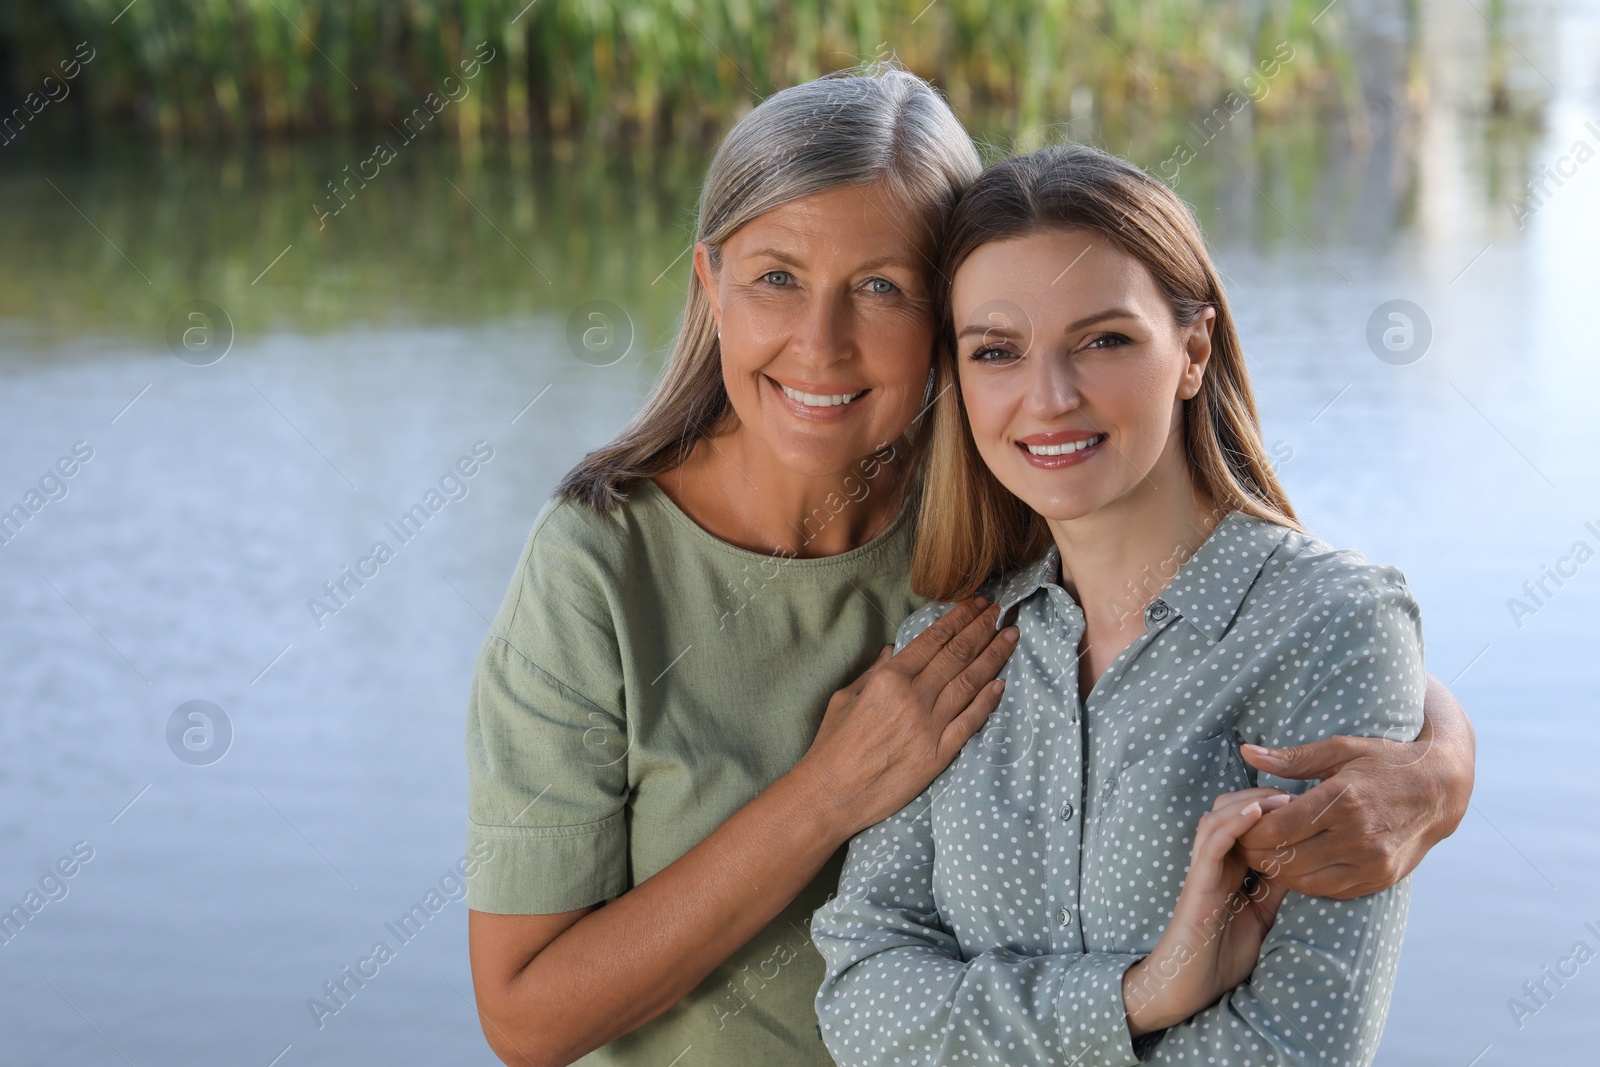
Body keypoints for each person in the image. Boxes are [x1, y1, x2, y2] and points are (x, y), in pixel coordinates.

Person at [463, 68, 1474, 1067]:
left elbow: (1279, 624)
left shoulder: (1007, 509)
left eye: (880, 287)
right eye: (776, 276)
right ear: (710, 287)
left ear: (940, 324)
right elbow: (525, 1016)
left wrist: (1438, 766)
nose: (820, 344)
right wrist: (827, 792)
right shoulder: (600, 565)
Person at [812, 144, 1433, 1066]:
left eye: (1103, 340)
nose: (1048, 397)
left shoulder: (1330, 628)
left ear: (1192, 352)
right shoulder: (947, 651)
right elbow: (860, 999)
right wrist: (1137, 997)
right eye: (997, 351)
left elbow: (1294, 1048)